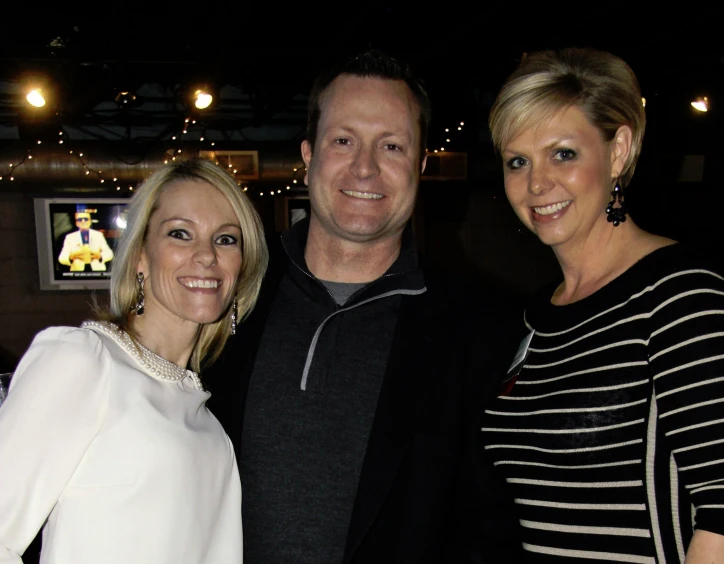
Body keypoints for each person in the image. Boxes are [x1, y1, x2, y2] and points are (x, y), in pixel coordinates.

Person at [205, 50, 521, 563]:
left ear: (421, 164)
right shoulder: (227, 299)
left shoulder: (479, 333)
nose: (365, 167)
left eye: (391, 145)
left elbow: (493, 529)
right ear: (308, 154)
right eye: (344, 140)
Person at [483, 47, 724, 563]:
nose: (536, 183)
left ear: (618, 152)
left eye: (563, 153)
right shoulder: (533, 323)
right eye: (517, 161)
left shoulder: (679, 296)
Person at [0, 157, 268, 563]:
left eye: (226, 239)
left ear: (241, 268)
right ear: (141, 256)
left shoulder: (212, 429)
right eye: (180, 234)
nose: (206, 255)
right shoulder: (84, 362)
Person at [57, 206, 114, 271]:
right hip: (77, 273)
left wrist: (99, 256)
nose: (83, 221)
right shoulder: (69, 237)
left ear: (90, 222)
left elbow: (109, 253)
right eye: (80, 219)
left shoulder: (98, 235)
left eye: (86, 219)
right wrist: (71, 257)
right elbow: (61, 257)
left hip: (97, 272)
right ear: (76, 223)